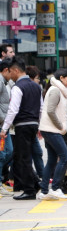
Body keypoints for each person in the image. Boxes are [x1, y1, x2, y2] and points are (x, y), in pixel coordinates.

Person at [38, 69, 67, 200]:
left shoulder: (61, 91)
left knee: (53, 160)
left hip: (50, 129)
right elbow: (50, 111)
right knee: (65, 157)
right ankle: (55, 188)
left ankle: (43, 191)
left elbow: (65, 113)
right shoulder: (55, 90)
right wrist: (61, 126)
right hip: (51, 129)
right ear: (61, 78)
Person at [0, 58, 43, 200]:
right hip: (33, 125)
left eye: (11, 71)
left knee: (22, 158)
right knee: (24, 157)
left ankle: (29, 190)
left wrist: (4, 129)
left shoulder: (18, 87)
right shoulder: (37, 86)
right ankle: (35, 183)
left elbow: (13, 110)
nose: (10, 74)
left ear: (16, 70)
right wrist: (40, 126)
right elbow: (41, 108)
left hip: (22, 126)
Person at [0, 60, 13, 197]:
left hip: (4, 125)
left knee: (8, 152)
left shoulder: (4, 82)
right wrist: (3, 119)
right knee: (3, 153)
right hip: (1, 125)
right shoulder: (0, 81)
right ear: (5, 70)